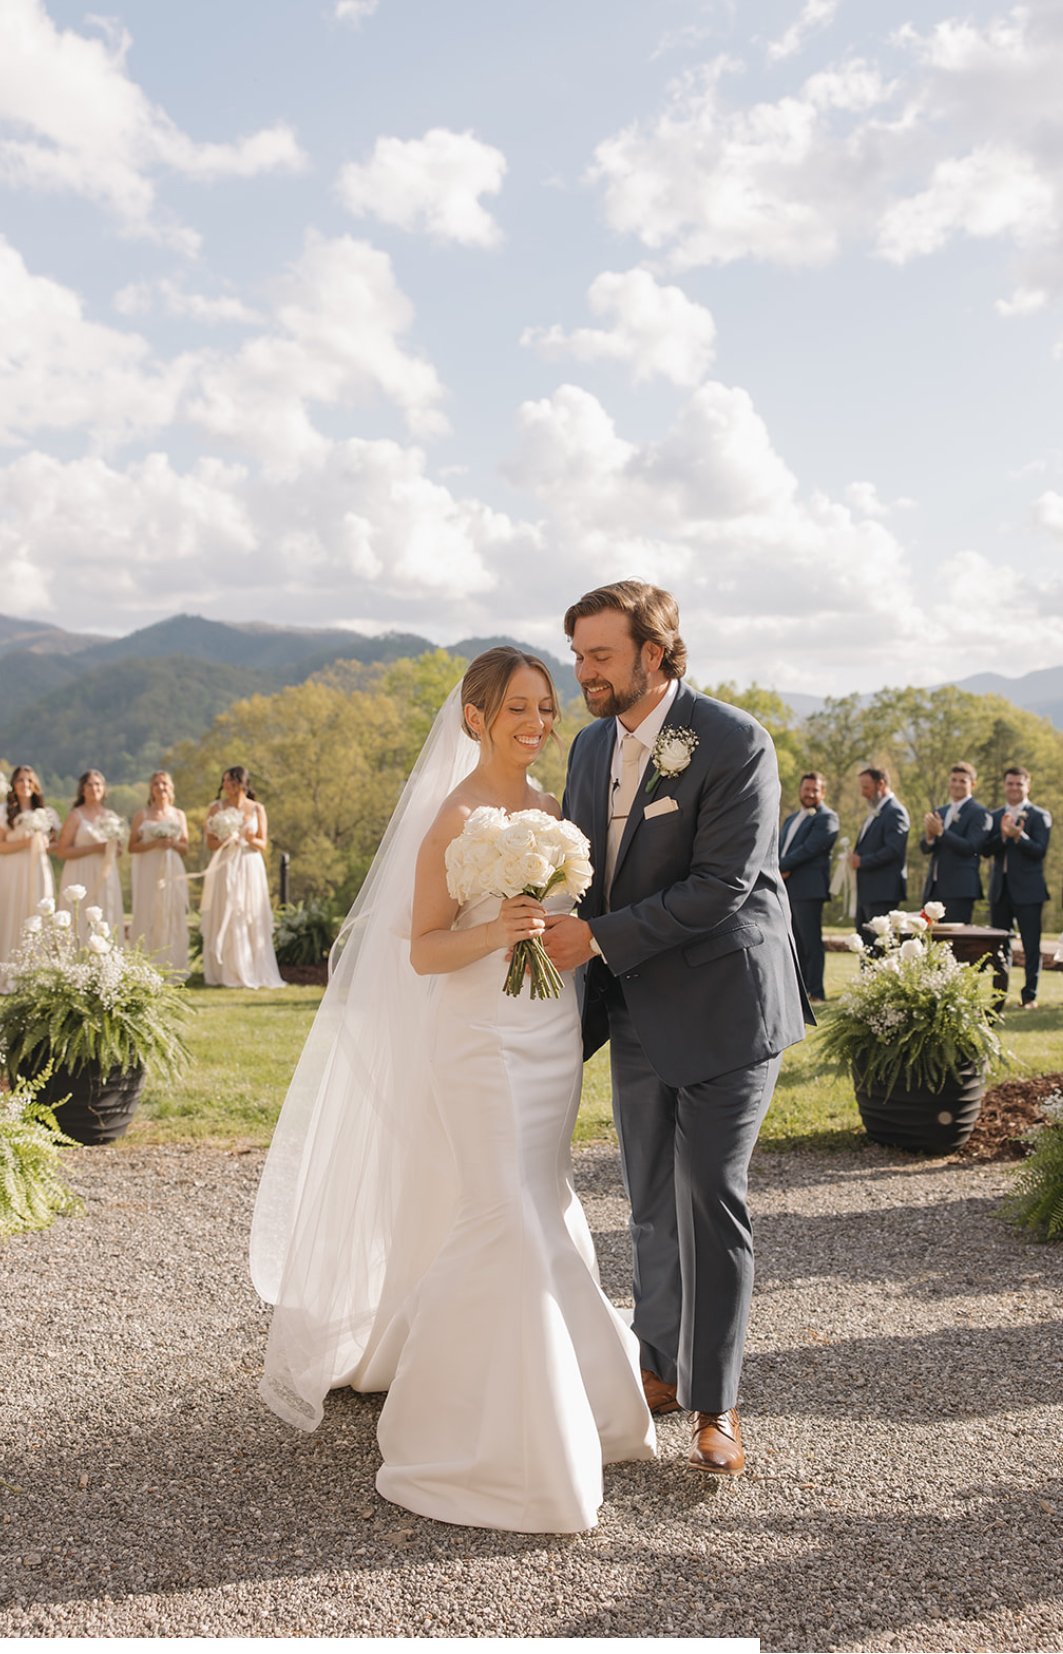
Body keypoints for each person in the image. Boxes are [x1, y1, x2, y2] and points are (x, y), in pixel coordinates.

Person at [251, 648, 654, 1533]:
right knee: (500, 1217)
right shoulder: (454, 816)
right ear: (474, 717)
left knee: (542, 1206)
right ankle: (479, 1440)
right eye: (516, 707)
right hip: (475, 1040)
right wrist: (496, 931)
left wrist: (554, 925)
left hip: (548, 1039)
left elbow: (569, 925)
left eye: (544, 707)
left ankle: (580, 1407)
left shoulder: (555, 813)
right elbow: (423, 947)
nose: (535, 723)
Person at [541, 581, 810, 1477]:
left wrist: (599, 938)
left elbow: (720, 886)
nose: (582, 671)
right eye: (576, 654)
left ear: (653, 655)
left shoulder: (734, 741)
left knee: (708, 1194)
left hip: (726, 1004)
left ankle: (716, 1400)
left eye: (599, 655)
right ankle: (655, 1365)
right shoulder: (587, 749)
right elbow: (582, 870)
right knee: (650, 1199)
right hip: (633, 1008)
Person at [200, 766, 283, 989]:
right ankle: (224, 969)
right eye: (224, 781)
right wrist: (228, 839)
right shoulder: (215, 808)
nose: (225, 786)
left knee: (247, 912)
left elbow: (262, 843)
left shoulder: (257, 809)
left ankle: (252, 967)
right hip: (225, 865)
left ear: (241, 784)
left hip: (249, 865)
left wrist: (247, 839)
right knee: (226, 909)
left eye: (229, 781)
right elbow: (210, 843)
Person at [983, 766, 1051, 1009]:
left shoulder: (1040, 816)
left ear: (1027, 786)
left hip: (1029, 891)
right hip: (1000, 890)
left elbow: (1039, 851)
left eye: (1019, 784)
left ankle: (1029, 996)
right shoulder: (995, 816)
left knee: (1031, 945)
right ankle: (998, 996)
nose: (1014, 788)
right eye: (1010, 783)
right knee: (1000, 947)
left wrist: (1018, 836)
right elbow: (984, 849)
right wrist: (1003, 836)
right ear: (1005, 786)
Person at [779, 771, 839, 1002]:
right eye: (807, 789)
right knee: (793, 939)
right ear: (800, 790)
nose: (810, 793)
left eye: (815, 790)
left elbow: (811, 848)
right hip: (786, 886)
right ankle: (799, 989)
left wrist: (780, 866)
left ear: (822, 792)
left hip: (809, 888)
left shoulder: (827, 818)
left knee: (810, 941)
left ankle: (816, 991)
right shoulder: (791, 819)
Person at [54, 769, 125, 944]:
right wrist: (95, 848)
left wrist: (112, 849)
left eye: (98, 784)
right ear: (82, 789)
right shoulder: (76, 815)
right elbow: (62, 851)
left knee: (106, 913)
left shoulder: (111, 817)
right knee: (80, 916)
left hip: (106, 874)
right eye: (90, 784)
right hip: (79, 873)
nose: (94, 788)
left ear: (104, 788)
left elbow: (120, 851)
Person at [129, 771, 190, 973]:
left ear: (170, 788)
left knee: (171, 910)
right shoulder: (142, 815)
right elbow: (132, 847)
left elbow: (186, 848)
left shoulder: (179, 815)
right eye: (156, 783)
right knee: (148, 910)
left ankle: (173, 962)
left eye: (164, 784)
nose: (161, 787)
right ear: (151, 788)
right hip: (149, 867)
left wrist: (172, 843)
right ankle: (145, 963)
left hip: (173, 868)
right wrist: (155, 843)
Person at [919, 761, 992, 924]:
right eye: (953, 780)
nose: (956, 784)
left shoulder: (980, 813)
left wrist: (941, 832)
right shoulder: (941, 811)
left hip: (959, 889)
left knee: (955, 942)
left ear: (973, 784)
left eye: (962, 781)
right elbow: (925, 848)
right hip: (934, 887)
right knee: (929, 940)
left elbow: (971, 847)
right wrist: (930, 837)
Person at [0, 766, 60, 963]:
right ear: (13, 785)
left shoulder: (45, 813)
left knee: (38, 908)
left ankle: (37, 966)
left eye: (28, 780)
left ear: (35, 785)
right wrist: (25, 843)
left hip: (39, 868)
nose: (24, 784)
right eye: (20, 780)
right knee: (12, 911)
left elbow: (55, 844)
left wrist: (45, 844)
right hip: (12, 868)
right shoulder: (4, 812)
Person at [849, 767, 909, 934]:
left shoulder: (895, 812)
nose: (862, 793)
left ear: (881, 784)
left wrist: (862, 861)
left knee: (879, 945)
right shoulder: (876, 812)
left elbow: (893, 850)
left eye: (866, 787)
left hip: (883, 890)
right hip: (867, 890)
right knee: (865, 946)